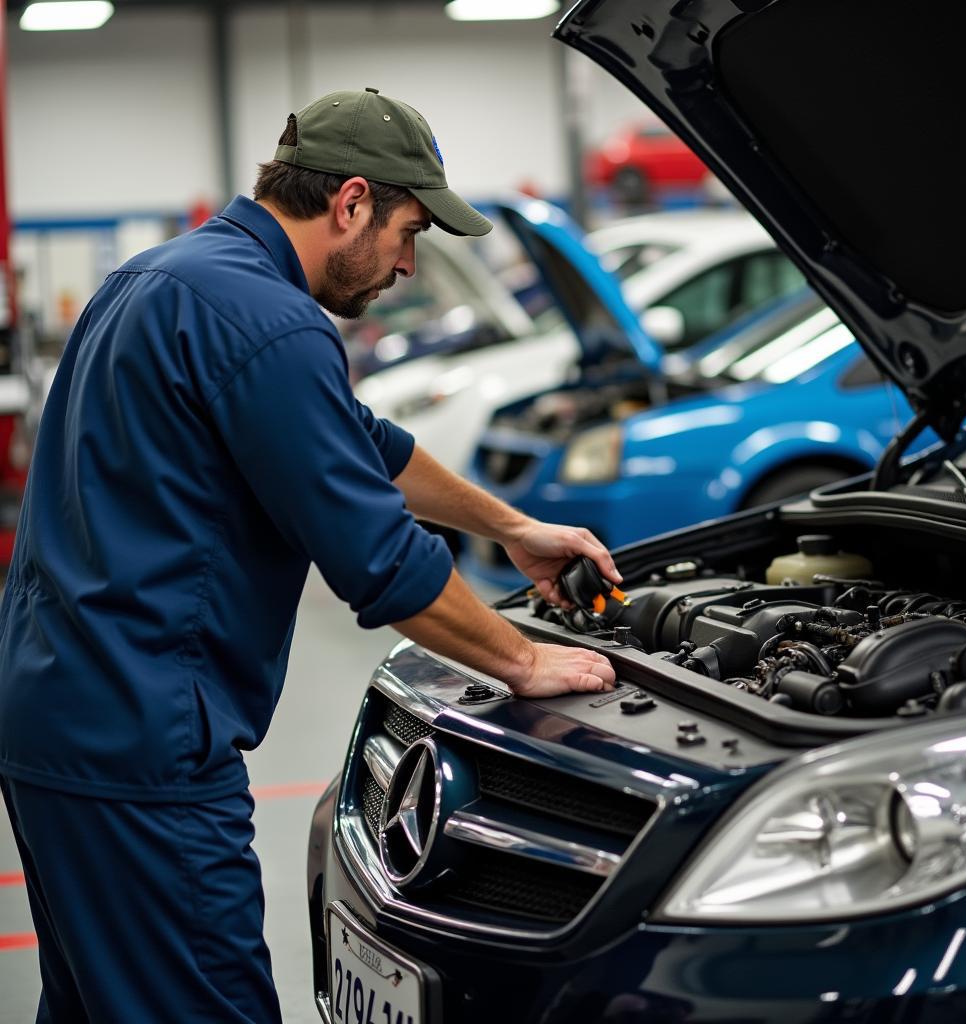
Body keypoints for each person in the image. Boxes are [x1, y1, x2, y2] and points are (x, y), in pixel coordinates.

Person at [0, 88, 620, 1023]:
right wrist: (525, 661)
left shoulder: (158, 280)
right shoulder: (274, 325)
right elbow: (379, 562)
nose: (409, 265)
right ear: (352, 202)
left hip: (52, 718)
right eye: (410, 232)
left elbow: (360, 442)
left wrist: (512, 528)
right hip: (144, 749)